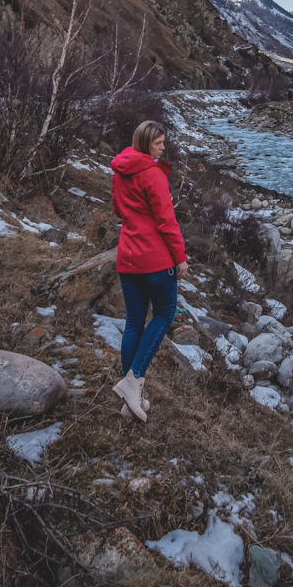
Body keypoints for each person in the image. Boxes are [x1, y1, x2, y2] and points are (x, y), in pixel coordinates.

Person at [110, 120, 188, 421]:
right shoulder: (153, 174)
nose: (163, 146)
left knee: (133, 322)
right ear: (145, 143)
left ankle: (132, 395)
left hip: (128, 255)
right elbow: (166, 221)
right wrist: (180, 258)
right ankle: (134, 381)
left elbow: (119, 210)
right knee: (165, 315)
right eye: (159, 142)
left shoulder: (121, 171)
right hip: (155, 258)